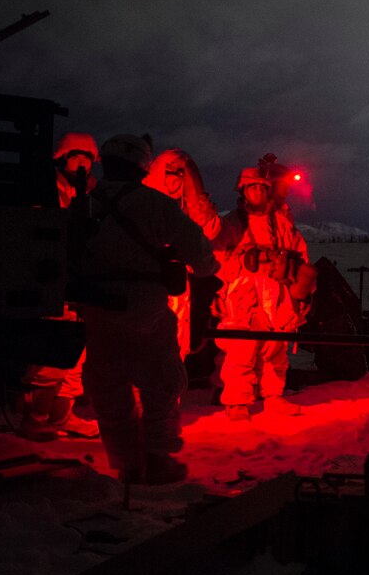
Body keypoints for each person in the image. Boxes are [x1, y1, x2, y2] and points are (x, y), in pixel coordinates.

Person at [77, 134, 219, 484]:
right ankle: (157, 460)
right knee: (161, 384)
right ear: (143, 167)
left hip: (97, 309)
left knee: (108, 388)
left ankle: (127, 464)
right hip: (146, 309)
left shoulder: (83, 206)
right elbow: (198, 252)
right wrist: (205, 269)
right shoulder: (156, 205)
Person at [18, 133, 101, 441]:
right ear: (62, 158)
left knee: (77, 354)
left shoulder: (93, 193)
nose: (81, 162)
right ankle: (36, 418)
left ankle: (62, 416)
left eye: (87, 157)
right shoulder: (47, 189)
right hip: (53, 280)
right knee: (53, 355)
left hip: (81, 281)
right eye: (75, 156)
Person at [212, 165, 311, 420]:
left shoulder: (280, 222)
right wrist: (219, 291)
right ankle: (237, 403)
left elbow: (299, 252)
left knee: (275, 346)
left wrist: (302, 288)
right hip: (243, 289)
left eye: (263, 187)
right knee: (242, 347)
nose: (258, 191)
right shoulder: (231, 223)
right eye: (253, 187)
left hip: (276, 287)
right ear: (243, 190)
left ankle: (274, 396)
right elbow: (218, 257)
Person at [143, 148, 221, 359]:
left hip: (177, 287)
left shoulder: (187, 210)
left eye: (181, 174)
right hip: (148, 286)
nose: (177, 179)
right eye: (171, 172)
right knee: (146, 347)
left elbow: (209, 232)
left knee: (175, 348)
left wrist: (197, 199)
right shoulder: (144, 204)